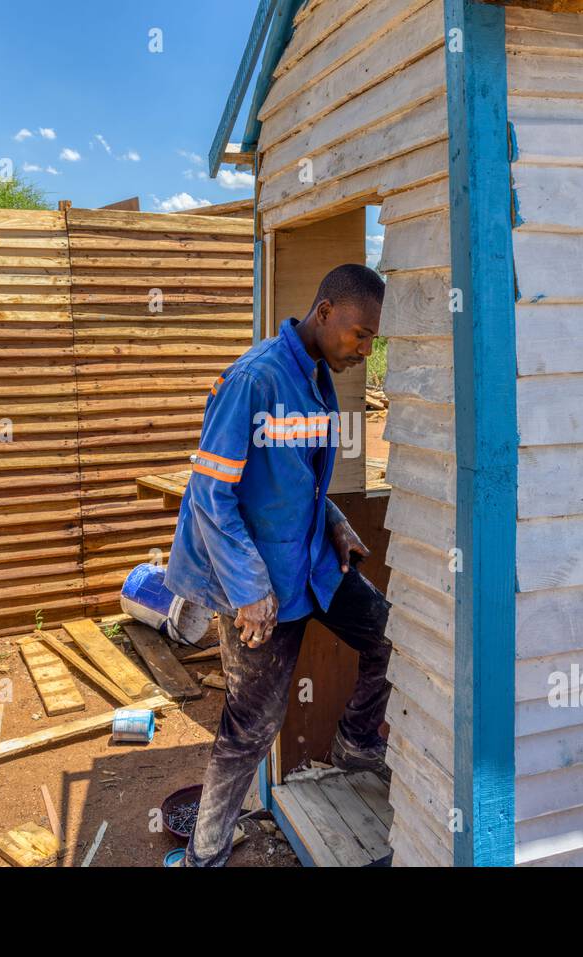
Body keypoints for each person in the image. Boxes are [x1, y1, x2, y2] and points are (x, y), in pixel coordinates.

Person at [164, 262, 393, 867]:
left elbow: (300, 482)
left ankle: (356, 742)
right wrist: (248, 589)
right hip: (260, 588)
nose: (364, 349)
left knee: (388, 632)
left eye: (373, 339)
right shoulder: (255, 378)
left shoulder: (316, 374)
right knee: (249, 732)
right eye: (360, 334)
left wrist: (338, 524)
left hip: (312, 566)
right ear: (324, 313)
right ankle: (203, 856)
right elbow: (211, 495)